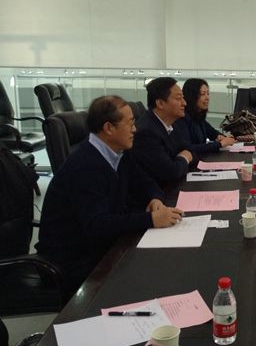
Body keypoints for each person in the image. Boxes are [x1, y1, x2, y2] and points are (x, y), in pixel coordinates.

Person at [36, 96, 183, 292]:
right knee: (156, 280)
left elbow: (145, 182)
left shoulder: (120, 153)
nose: (135, 129)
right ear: (108, 128)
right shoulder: (84, 166)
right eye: (130, 123)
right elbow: (98, 224)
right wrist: (151, 219)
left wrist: (155, 198)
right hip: (75, 261)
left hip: (103, 245)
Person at [131, 77, 194, 187]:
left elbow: (189, 150)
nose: (184, 103)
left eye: (183, 98)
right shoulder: (146, 132)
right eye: (178, 98)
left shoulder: (172, 123)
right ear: (160, 103)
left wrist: (183, 158)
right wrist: (184, 158)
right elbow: (171, 172)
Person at [176, 78, 236, 154]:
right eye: (203, 94)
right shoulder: (182, 118)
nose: (207, 98)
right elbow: (188, 148)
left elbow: (212, 133)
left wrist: (220, 137)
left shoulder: (198, 117)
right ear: (192, 96)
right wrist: (220, 144)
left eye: (208, 94)